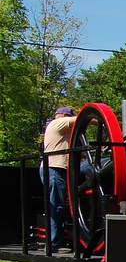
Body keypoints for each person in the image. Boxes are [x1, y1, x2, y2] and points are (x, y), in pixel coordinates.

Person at [40, 106, 76, 253]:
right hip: (54, 169)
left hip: (56, 169)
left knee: (58, 205)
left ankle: (56, 242)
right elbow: (83, 119)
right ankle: (54, 244)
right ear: (63, 115)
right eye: (69, 116)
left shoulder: (59, 131)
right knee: (56, 206)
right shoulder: (57, 123)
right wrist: (109, 121)